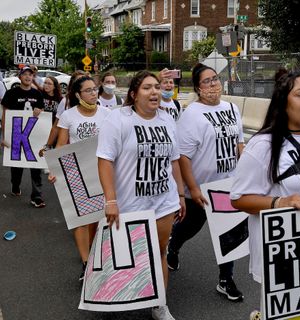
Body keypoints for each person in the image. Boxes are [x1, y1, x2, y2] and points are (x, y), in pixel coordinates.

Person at [96, 70, 186, 320]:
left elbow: (175, 160)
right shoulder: (118, 119)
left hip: (163, 201)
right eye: (147, 88)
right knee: (121, 256)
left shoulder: (168, 119)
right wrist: (111, 200)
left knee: (159, 251)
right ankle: (110, 300)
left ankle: (159, 303)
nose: (155, 91)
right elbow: (104, 160)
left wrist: (179, 194)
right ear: (134, 94)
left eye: (157, 87)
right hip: (128, 203)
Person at [230, 71, 300, 320]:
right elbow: (238, 198)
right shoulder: (263, 146)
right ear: (283, 103)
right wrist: (281, 202)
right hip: (284, 257)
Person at [166, 63, 244, 302]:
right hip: (200, 188)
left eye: (216, 79)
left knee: (229, 233)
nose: (214, 84)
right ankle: (173, 247)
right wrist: (193, 188)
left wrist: (245, 173)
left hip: (227, 185)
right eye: (207, 81)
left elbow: (239, 143)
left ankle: (225, 279)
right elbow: (183, 157)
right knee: (191, 226)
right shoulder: (192, 115)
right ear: (198, 88)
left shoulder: (231, 108)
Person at [49, 76, 110, 281]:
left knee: (99, 220)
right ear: (78, 94)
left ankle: (96, 257)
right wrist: (55, 170)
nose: (94, 93)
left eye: (95, 89)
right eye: (89, 90)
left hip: (101, 172)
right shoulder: (68, 116)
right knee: (81, 220)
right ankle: (86, 264)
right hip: (76, 172)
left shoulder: (107, 114)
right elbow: (62, 146)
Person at [1, 65, 45, 208]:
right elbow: (5, 114)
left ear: (33, 77)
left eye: (30, 74)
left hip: (33, 136)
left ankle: (37, 196)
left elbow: (43, 113)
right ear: (20, 76)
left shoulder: (37, 94)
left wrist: (40, 111)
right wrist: (4, 135)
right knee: (16, 165)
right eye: (25, 74)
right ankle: (15, 184)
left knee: (36, 165)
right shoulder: (11, 93)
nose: (28, 77)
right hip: (16, 135)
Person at [39, 70, 86, 156]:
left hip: (87, 148)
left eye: (84, 81)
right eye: (78, 81)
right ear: (72, 85)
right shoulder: (65, 102)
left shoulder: (95, 102)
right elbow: (56, 127)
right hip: (68, 147)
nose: (82, 84)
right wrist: (48, 146)